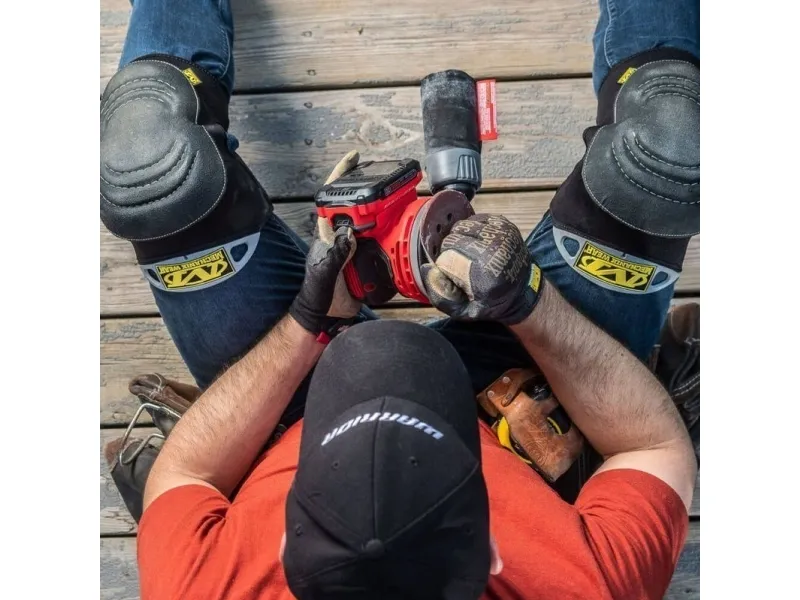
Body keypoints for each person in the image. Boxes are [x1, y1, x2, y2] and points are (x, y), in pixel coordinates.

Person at [99, 0, 699, 597]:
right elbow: (650, 445)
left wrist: (307, 323)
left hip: (290, 404)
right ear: (493, 552)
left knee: (150, 161)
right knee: (667, 144)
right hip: (508, 400)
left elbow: (187, 471)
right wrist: (527, 302)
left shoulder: (203, 587)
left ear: (283, 549)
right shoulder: (580, 586)